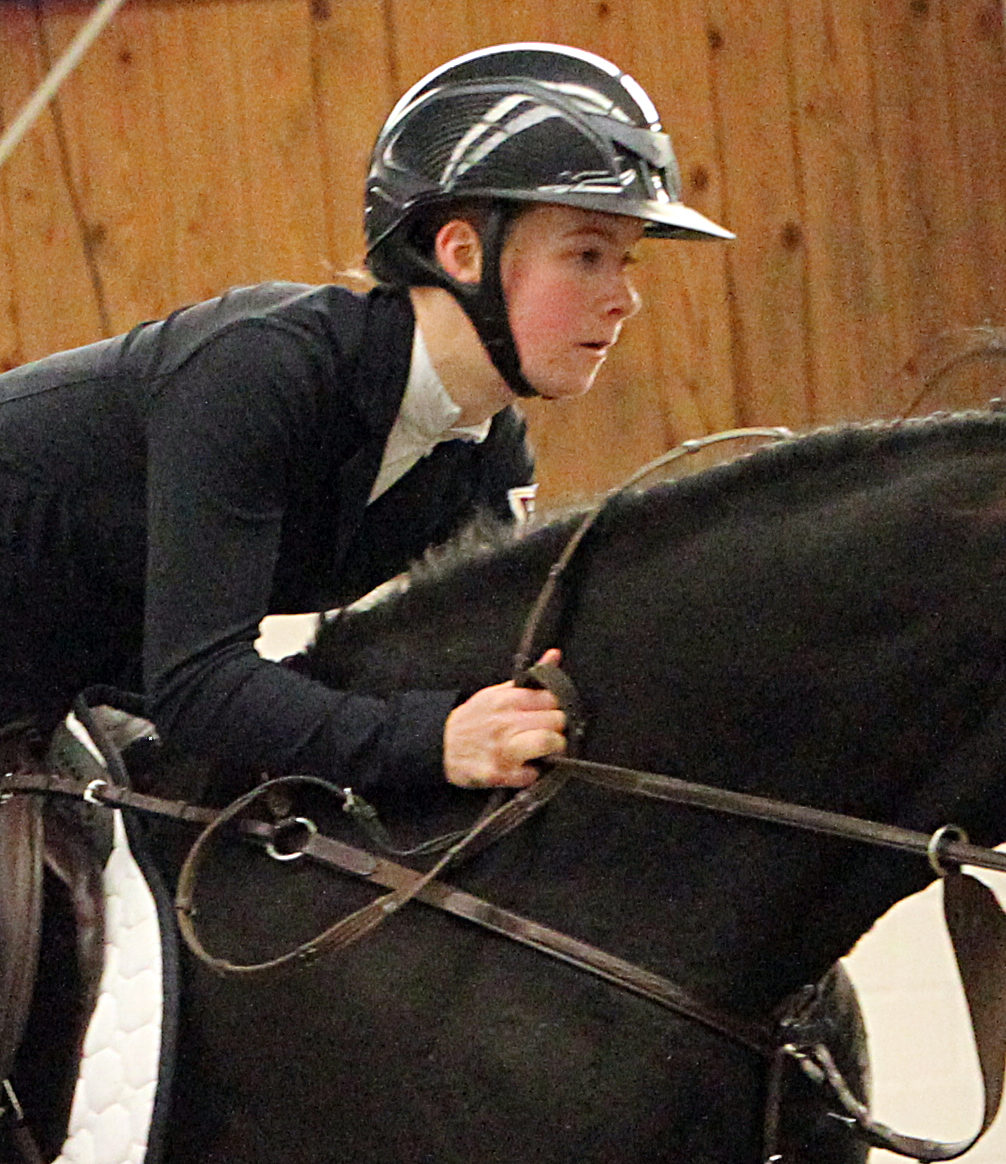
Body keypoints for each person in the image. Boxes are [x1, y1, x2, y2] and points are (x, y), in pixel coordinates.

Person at [0, 42, 729, 793]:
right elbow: (201, 684)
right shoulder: (259, 370)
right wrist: (429, 739)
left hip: (70, 690)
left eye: (626, 262)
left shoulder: (489, 456)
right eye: (586, 256)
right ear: (462, 252)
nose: (624, 298)